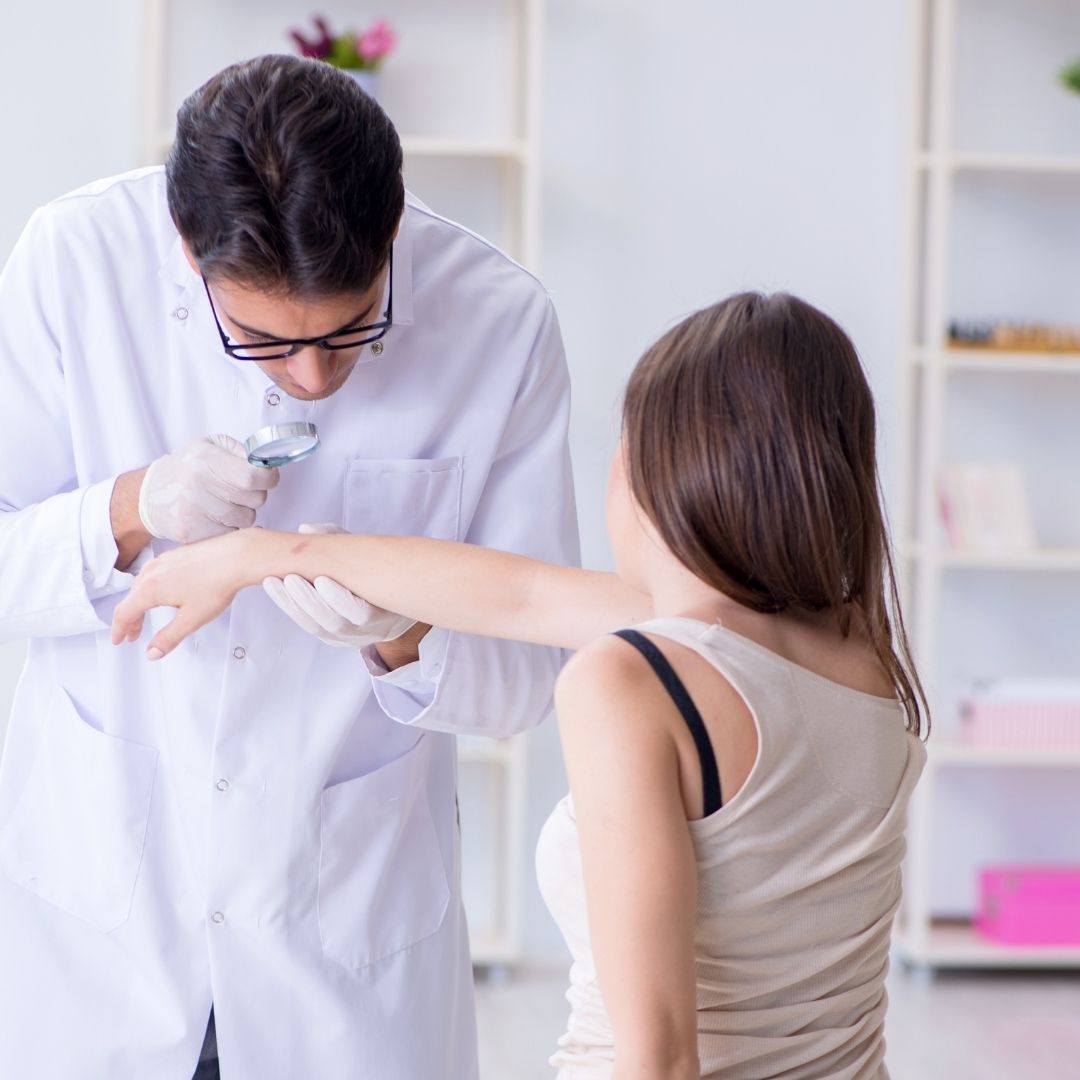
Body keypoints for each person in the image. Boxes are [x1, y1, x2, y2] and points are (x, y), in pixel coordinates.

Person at [114, 292, 929, 1079]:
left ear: (649, 469)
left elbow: (660, 1063)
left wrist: (267, 555)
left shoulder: (633, 680)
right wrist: (275, 555)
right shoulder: (862, 654)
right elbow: (524, 594)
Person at [0, 55, 578, 1079]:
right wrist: (130, 508)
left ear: (393, 229)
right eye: (262, 338)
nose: (312, 378)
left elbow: (529, 676)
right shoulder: (71, 262)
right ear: (189, 256)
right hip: (110, 923)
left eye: (354, 331)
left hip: (344, 948)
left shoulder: (502, 322)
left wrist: (401, 637)